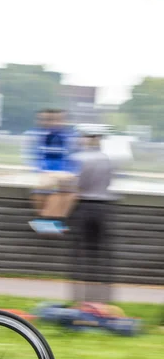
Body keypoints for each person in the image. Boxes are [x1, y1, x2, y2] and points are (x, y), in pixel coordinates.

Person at [68, 124, 116, 304]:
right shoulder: (107, 159)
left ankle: (79, 302)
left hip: (84, 207)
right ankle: (101, 302)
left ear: (87, 138)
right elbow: (109, 182)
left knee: (79, 254)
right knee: (101, 255)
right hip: (103, 208)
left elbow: (76, 186)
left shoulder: (78, 158)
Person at [26, 109, 78, 235]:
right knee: (56, 193)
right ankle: (48, 221)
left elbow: (73, 159)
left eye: (58, 119)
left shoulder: (69, 136)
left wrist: (67, 174)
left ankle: (50, 221)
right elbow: (34, 158)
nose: (54, 123)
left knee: (67, 193)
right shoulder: (37, 136)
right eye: (50, 119)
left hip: (60, 178)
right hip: (46, 178)